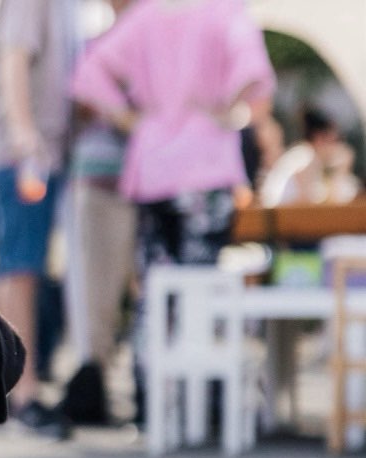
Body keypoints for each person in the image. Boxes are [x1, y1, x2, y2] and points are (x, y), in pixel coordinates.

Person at [71, 0, 275, 426]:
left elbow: (89, 73)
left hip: (152, 164)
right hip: (205, 164)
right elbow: (254, 74)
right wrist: (226, 111)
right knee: (201, 286)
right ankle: (201, 402)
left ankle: (152, 398)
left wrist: (129, 118)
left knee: (156, 285)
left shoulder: (145, 16)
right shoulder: (225, 13)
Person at [0, 0, 79, 439]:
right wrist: (25, 134)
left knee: (11, 267)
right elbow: (14, 56)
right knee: (22, 270)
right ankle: (24, 391)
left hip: (21, 150)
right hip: (26, 154)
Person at [61, 0, 137, 426]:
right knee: (96, 288)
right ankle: (93, 383)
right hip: (99, 177)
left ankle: (143, 383)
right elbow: (79, 106)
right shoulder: (94, 45)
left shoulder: (153, 40)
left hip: (148, 179)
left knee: (141, 287)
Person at [260, 106, 361, 207]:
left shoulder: (303, 154)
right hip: (283, 218)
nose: (336, 146)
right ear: (320, 138)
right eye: (335, 140)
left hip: (282, 217)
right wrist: (340, 170)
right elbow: (308, 203)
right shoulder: (305, 158)